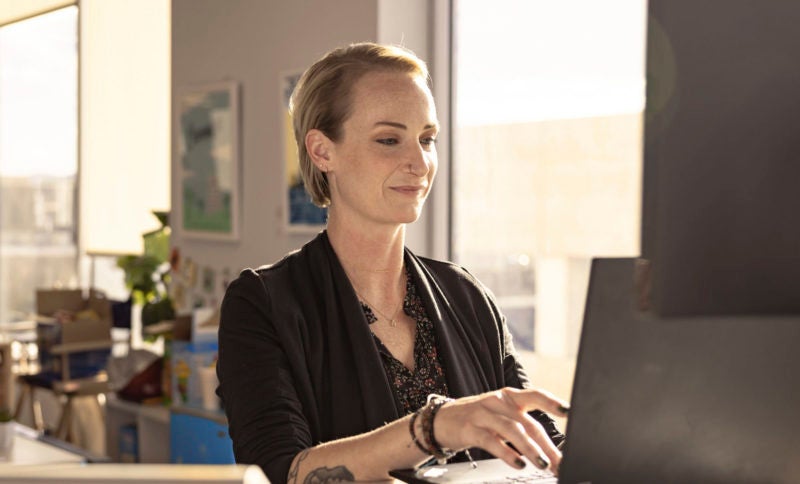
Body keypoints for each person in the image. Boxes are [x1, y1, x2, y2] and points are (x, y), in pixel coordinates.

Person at [217, 42, 568, 484]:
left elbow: (545, 452)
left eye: (427, 139)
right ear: (323, 152)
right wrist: (431, 428)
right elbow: (281, 473)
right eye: (389, 140)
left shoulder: (466, 295)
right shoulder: (262, 304)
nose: (419, 162)